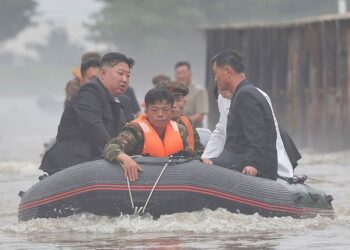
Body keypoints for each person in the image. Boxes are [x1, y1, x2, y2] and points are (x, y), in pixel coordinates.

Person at [40, 52, 134, 175]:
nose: (124, 79)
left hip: (96, 162)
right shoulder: (90, 91)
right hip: (71, 163)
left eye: (128, 75)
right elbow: (93, 125)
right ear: (102, 73)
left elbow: (122, 131)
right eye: (120, 74)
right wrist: (117, 153)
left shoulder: (115, 100)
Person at [204, 49, 278, 180]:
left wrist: (253, 164)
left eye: (216, 74)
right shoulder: (244, 92)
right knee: (202, 163)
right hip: (235, 159)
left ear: (227, 72)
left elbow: (258, 134)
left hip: (246, 164)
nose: (215, 79)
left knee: (202, 170)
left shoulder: (245, 95)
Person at [104, 88, 192, 181]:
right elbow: (110, 147)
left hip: (173, 180)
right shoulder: (136, 130)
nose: (160, 114)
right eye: (155, 109)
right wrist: (125, 159)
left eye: (165, 109)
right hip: (142, 181)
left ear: (172, 111)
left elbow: (190, 157)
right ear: (146, 111)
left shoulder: (180, 130)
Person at [161, 81, 204, 155]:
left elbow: (200, 151)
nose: (174, 105)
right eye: (169, 101)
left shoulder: (188, 122)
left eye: (178, 100)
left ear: (184, 102)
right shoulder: (157, 125)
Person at [174, 61, 208, 127]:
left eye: (184, 73)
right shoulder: (171, 90)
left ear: (190, 73)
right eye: (178, 73)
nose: (181, 76)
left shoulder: (199, 91)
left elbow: (200, 115)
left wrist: (181, 123)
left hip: (194, 129)